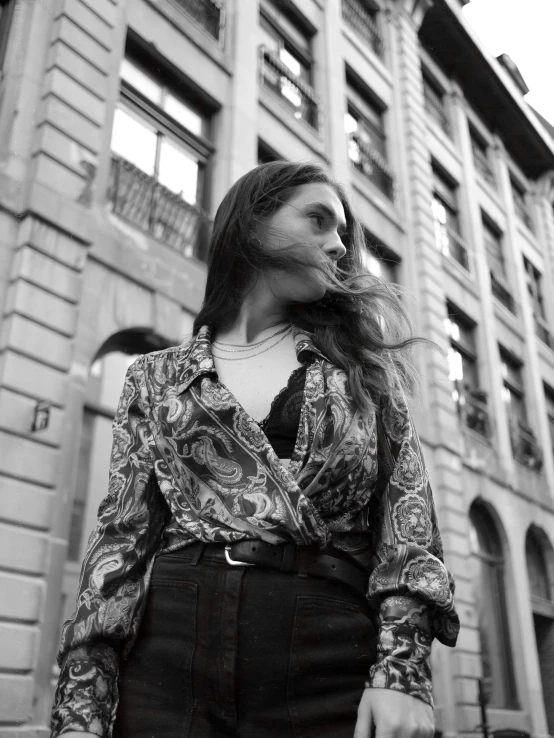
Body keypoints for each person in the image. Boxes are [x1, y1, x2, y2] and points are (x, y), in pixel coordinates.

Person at [51, 160, 459, 738]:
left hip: (324, 651)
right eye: (318, 220)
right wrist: (82, 711)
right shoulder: (155, 378)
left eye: (342, 231)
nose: (339, 245)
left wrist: (402, 671)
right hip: (167, 657)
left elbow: (408, 525)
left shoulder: (362, 372)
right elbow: (120, 542)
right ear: (252, 223)